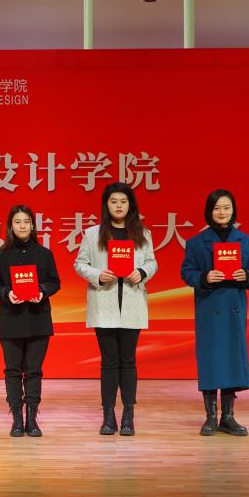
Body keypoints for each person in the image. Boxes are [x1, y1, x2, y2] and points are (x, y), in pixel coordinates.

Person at [74, 182, 158, 437]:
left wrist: (142, 272)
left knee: (128, 360)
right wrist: (98, 275)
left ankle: (128, 414)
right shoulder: (93, 234)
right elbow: (79, 263)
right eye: (113, 201)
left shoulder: (142, 233)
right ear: (106, 205)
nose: (119, 206)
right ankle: (108, 415)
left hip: (132, 301)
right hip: (104, 302)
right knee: (109, 361)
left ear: (130, 205)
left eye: (123, 201)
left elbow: (152, 262)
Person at [180, 189, 249, 437]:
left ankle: (228, 416)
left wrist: (247, 275)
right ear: (209, 211)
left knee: (232, 358)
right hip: (209, 307)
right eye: (216, 208)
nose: (222, 212)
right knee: (210, 360)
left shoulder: (247, 242)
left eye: (226, 207)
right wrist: (204, 277)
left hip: (234, 307)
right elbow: (186, 272)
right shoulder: (196, 243)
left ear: (233, 211)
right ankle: (211, 417)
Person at [0, 205, 61, 437]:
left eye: (26, 222)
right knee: (12, 371)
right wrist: (6, 293)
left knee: (34, 371)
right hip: (11, 319)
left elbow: (55, 282)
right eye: (17, 222)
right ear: (11, 226)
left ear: (33, 226)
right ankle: (17, 419)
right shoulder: (1, 255)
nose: (22, 226)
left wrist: (42, 290)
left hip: (38, 318)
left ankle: (32, 419)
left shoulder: (44, 254)